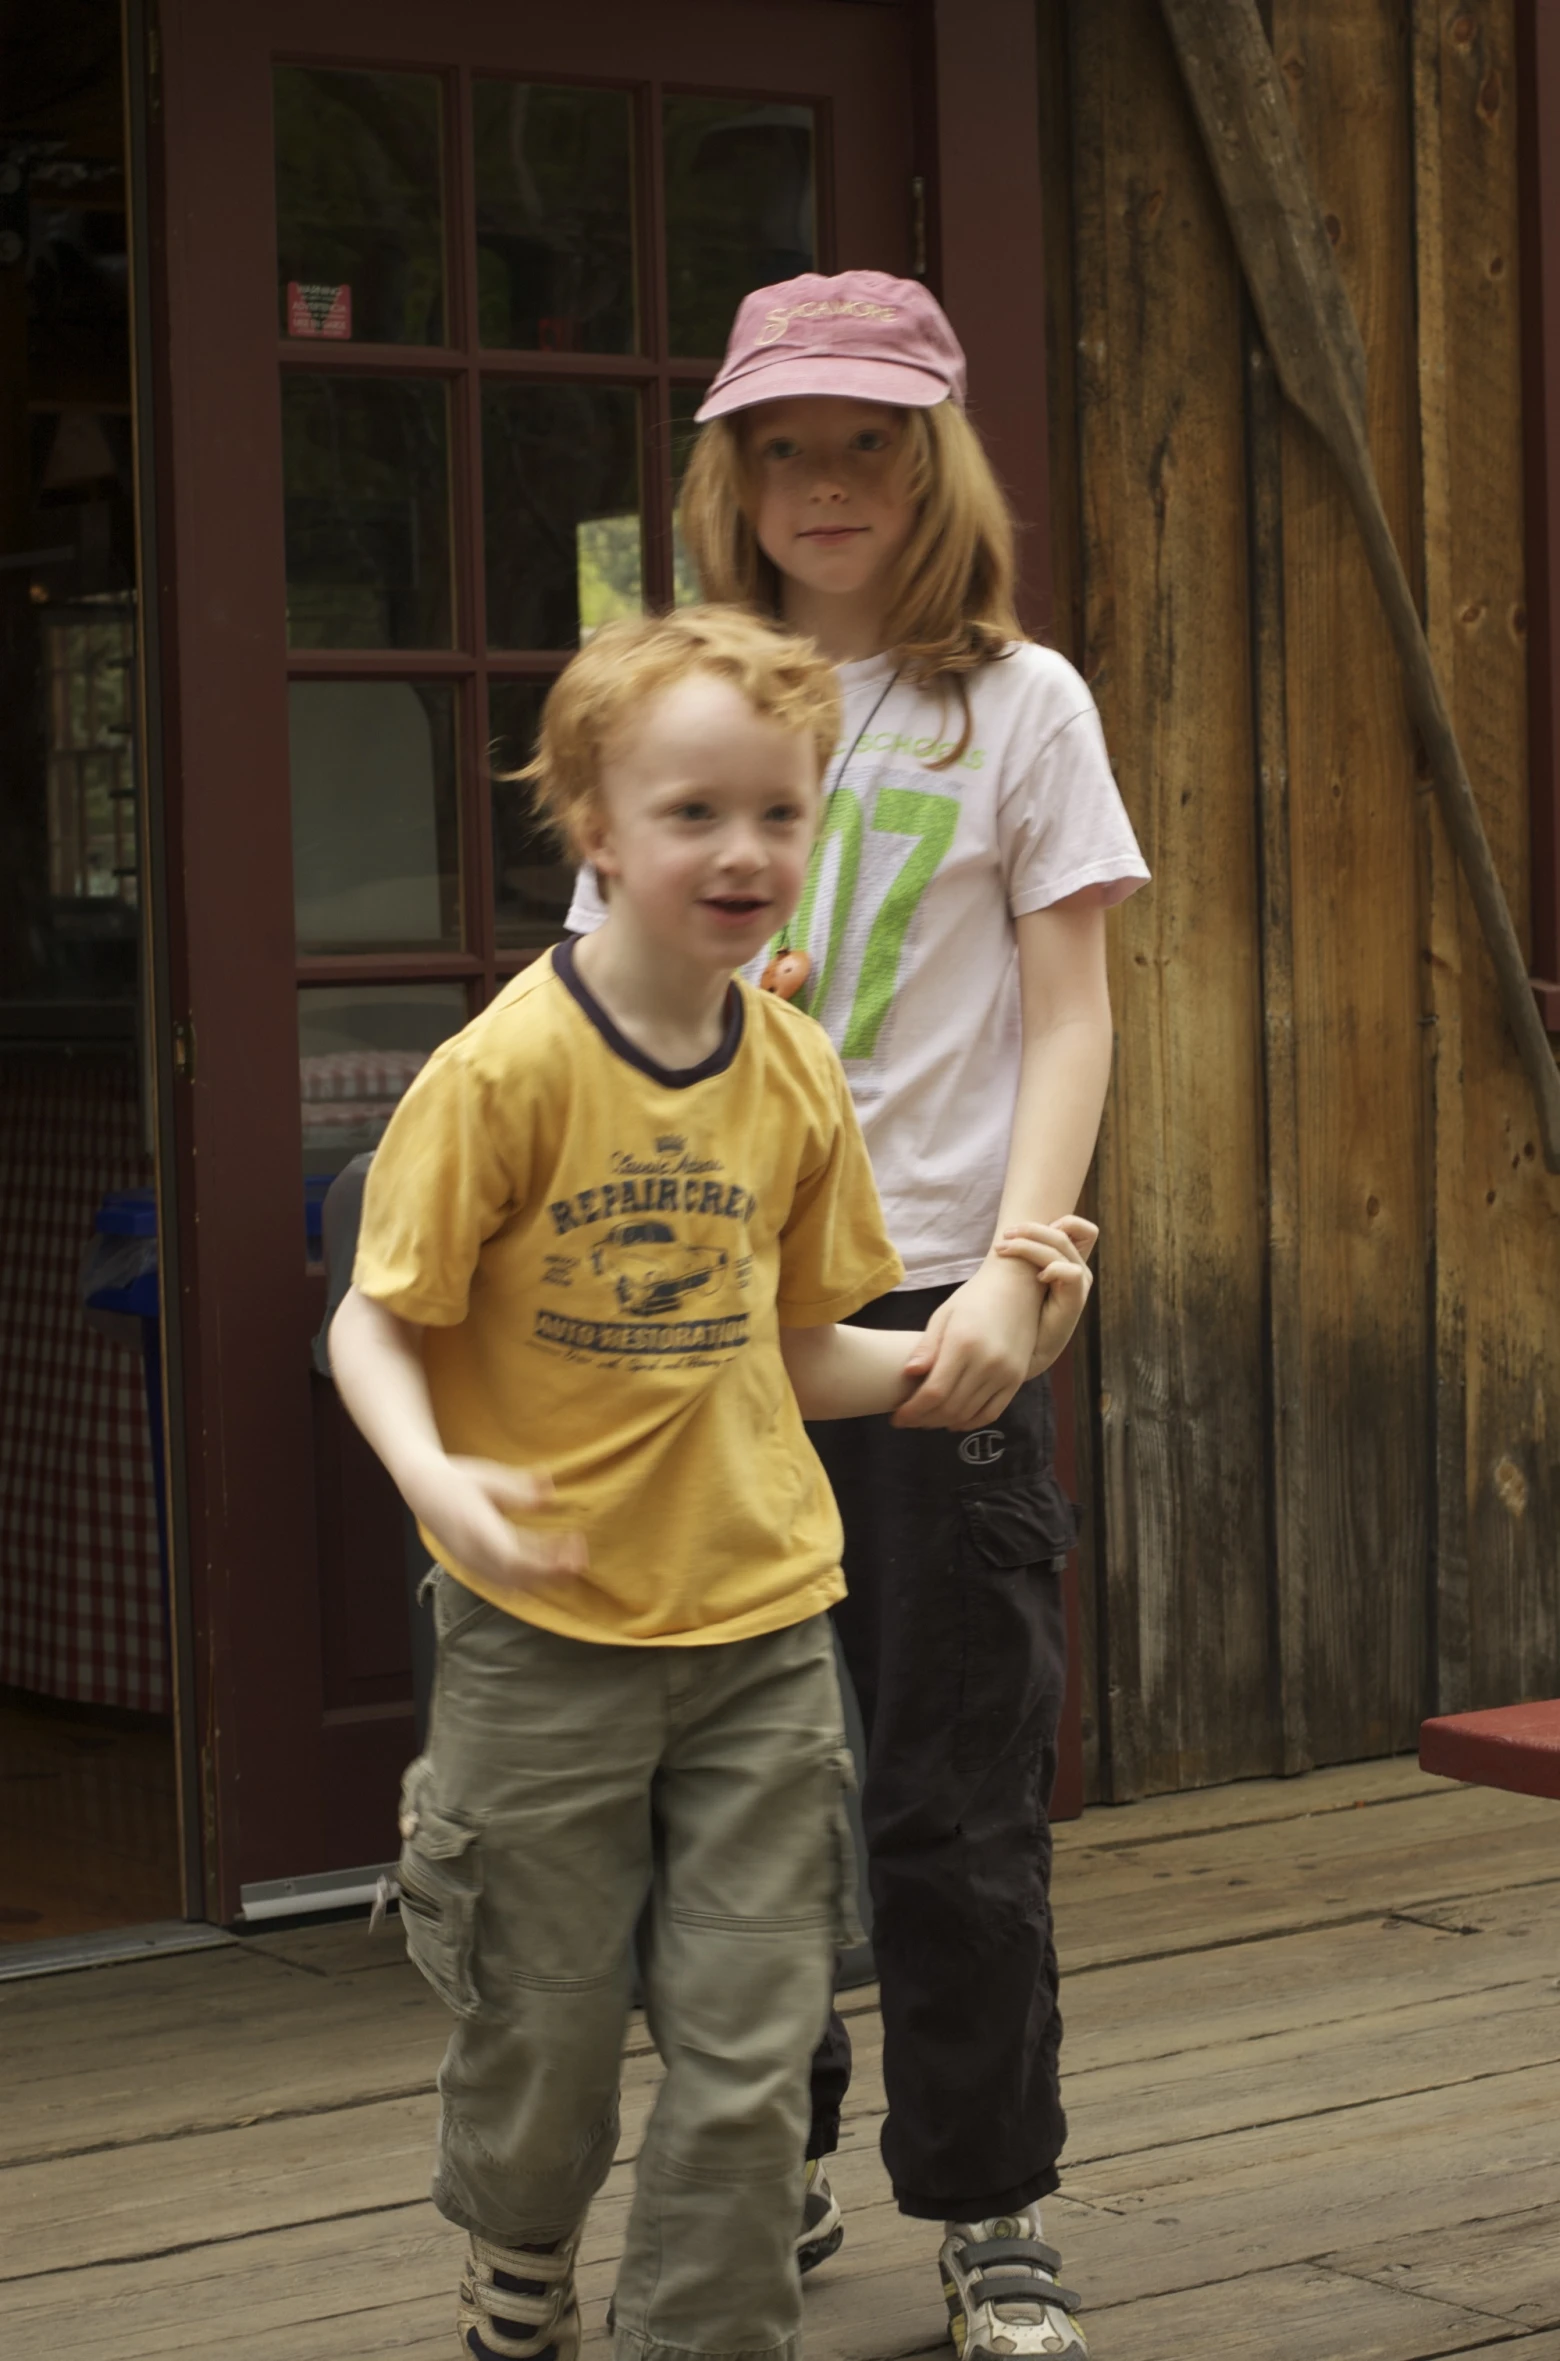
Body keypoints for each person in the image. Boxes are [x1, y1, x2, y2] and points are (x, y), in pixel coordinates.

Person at [329, 604, 1098, 2361]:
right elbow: (377, 1327)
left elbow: (797, 1343)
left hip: (761, 1635)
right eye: (693, 814)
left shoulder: (796, 1076)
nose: (743, 851)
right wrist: (440, 1480)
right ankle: (521, 2258)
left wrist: (973, 1350)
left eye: (778, 812)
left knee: (752, 2054)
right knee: (543, 2029)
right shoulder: (503, 1075)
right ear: (597, 830)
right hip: (543, 1636)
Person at [568, 271, 1149, 2361]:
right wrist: (707, 1023)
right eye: (783, 445)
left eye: (869, 442)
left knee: (952, 1785)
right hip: (703, 1323)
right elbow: (593, 1019)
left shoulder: (1025, 704)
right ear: (729, 469)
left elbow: (1072, 1010)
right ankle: (763, 2161)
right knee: (734, 1788)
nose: (824, 482)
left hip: (932, 1318)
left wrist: (1019, 1259)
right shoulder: (664, 699)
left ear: (936, 461)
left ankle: (991, 2203)